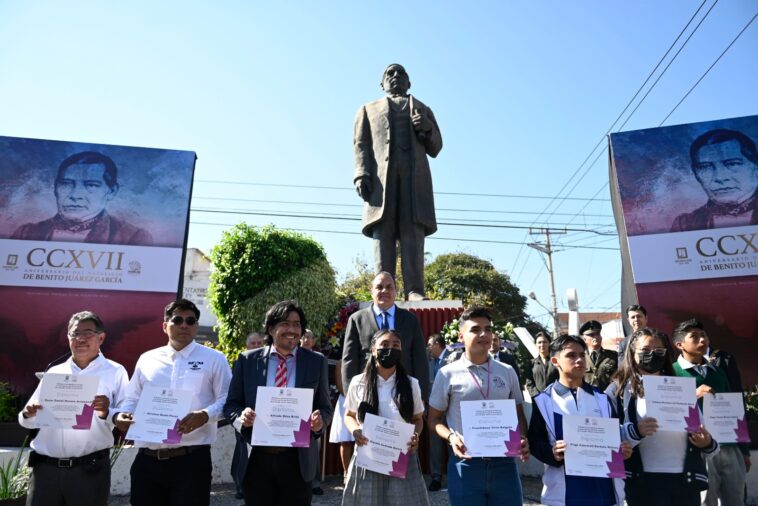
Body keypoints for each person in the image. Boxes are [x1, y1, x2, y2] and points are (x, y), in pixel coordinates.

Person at [113, 299, 232, 506]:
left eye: (190, 320)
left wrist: (204, 415)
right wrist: (124, 414)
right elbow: (131, 398)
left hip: (191, 460)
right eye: (177, 320)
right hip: (147, 460)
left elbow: (227, 400)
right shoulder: (147, 359)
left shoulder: (214, 359)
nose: (184, 325)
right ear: (165, 325)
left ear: (196, 325)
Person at [223, 300, 333, 506]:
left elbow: (326, 408)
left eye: (297, 324)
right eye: (285, 323)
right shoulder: (248, 360)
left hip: (297, 460)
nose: (292, 329)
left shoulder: (316, 362)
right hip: (256, 459)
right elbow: (231, 404)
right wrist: (240, 417)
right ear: (271, 328)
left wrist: (320, 423)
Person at [18, 311, 129, 506]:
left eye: (87, 333)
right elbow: (28, 418)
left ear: (101, 337)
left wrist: (108, 412)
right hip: (46, 470)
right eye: (74, 333)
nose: (80, 339)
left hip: (89, 471)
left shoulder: (115, 372)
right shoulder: (55, 371)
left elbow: (125, 416)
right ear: (68, 338)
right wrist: (28, 413)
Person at [353, 64, 443, 300]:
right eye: (389, 74)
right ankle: (383, 290)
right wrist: (361, 173)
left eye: (400, 73)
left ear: (409, 83)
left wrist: (426, 127)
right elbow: (360, 144)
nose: (395, 77)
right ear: (382, 84)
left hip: (414, 181)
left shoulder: (423, 109)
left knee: (413, 233)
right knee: (383, 233)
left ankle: (414, 290)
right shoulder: (367, 109)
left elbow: (436, 147)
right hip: (382, 182)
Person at [428, 307, 530, 506]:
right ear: (461, 336)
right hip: (466, 463)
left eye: (488, 329)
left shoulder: (507, 371)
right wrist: (451, 436)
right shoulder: (447, 373)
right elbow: (433, 419)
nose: (484, 334)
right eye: (475, 329)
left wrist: (523, 437)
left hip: (504, 464)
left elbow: (519, 415)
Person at [606, 327, 718, 505]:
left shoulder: (680, 388)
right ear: (632, 353)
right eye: (645, 350)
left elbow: (707, 437)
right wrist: (636, 430)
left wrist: (707, 442)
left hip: (685, 482)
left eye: (659, 351)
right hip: (642, 482)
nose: (653, 355)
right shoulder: (619, 390)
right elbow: (605, 437)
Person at [527, 334, 630, 506]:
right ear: (555, 361)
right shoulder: (544, 400)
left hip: (604, 492)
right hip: (565, 494)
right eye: (571, 355)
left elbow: (615, 439)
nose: (579, 360)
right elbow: (535, 441)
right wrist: (551, 452)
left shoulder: (603, 399)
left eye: (582, 355)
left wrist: (622, 450)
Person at [342, 329, 429, 505]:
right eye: (384, 345)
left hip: (402, 457)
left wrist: (416, 435)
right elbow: (349, 415)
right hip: (367, 456)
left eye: (396, 345)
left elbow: (418, 419)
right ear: (373, 349)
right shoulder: (358, 382)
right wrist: (356, 431)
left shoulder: (412, 384)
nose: (390, 349)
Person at [671, 318, 749, 506]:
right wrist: (693, 395)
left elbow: (735, 409)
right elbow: (668, 409)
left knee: (736, 499)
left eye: (703, 335)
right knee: (706, 500)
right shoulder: (672, 373)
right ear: (680, 344)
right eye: (694, 336)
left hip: (730, 445)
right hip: (699, 448)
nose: (702, 340)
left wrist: (744, 450)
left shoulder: (717, 371)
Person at [12, 151, 152, 245]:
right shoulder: (25, 233)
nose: (75, 195)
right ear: (55, 188)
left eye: (91, 185)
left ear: (111, 191)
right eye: (66, 184)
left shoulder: (133, 237)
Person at [342, 272, 429, 401]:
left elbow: (420, 359)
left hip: (403, 392)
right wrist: (351, 396)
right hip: (367, 393)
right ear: (371, 291)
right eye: (379, 287)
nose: (384, 290)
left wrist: (421, 397)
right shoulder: (357, 320)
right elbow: (349, 360)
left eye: (389, 287)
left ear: (395, 291)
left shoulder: (410, 320)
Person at [671, 128, 758, 231]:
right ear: (696, 174)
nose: (720, 177)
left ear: (755, 167)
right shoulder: (684, 224)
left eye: (733, 164)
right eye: (705, 167)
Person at [299, 328, 324, 495]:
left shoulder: (319, 359)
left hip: (313, 413)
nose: (307, 340)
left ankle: (314, 482)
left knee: (313, 449)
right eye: (304, 337)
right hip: (294, 410)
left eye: (310, 337)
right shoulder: (294, 357)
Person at [426, 333, 450, 492]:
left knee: (452, 442)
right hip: (433, 410)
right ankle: (436, 477)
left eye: (429, 344)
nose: (428, 348)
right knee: (434, 445)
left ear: (437, 344)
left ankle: (455, 475)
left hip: (450, 409)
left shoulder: (453, 357)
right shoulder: (428, 361)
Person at [581, 320, 618, 391]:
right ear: (585, 339)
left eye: (598, 334)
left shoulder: (613, 356)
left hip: (607, 396)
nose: (595, 337)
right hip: (586, 395)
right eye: (591, 335)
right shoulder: (581, 357)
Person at [525, 331, 558, 398]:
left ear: (549, 343)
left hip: (556, 399)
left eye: (545, 342)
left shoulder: (556, 361)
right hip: (538, 402)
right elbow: (529, 384)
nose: (542, 345)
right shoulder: (531, 363)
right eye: (539, 342)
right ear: (536, 344)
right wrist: (538, 396)